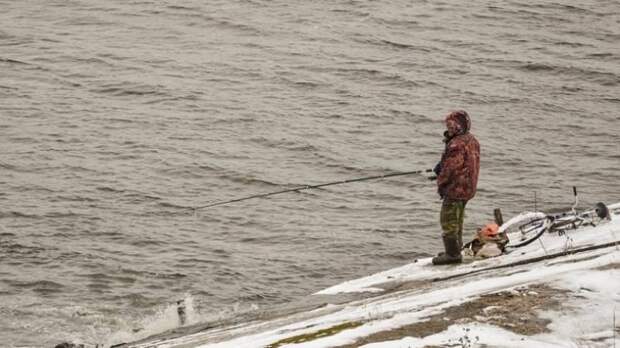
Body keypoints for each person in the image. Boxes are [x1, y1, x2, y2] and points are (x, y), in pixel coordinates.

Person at [432, 110, 480, 265]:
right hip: (467, 187)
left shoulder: (456, 144)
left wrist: (441, 179)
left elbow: (451, 168)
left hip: (456, 188)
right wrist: (441, 166)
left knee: (448, 220)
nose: (448, 128)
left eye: (451, 125)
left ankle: (452, 255)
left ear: (458, 126)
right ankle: (455, 249)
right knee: (458, 219)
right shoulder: (471, 140)